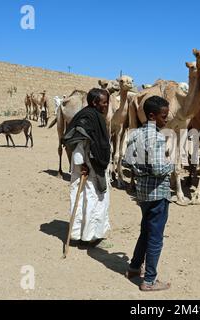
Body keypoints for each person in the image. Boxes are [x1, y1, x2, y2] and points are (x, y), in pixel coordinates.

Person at [123, 95, 174, 291]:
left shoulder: (134, 134)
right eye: (164, 116)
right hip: (158, 194)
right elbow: (159, 169)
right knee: (155, 237)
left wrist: (140, 170)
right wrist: (171, 164)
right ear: (152, 116)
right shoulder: (158, 137)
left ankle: (135, 267)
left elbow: (127, 162)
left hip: (142, 194)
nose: (166, 119)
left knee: (145, 230)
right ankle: (150, 280)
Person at [62, 88, 112, 248]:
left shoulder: (95, 116)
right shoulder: (87, 118)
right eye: (104, 103)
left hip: (94, 164)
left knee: (94, 199)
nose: (106, 106)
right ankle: (89, 236)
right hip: (86, 167)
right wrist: (81, 164)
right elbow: (78, 142)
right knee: (91, 199)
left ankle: (87, 233)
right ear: (94, 102)